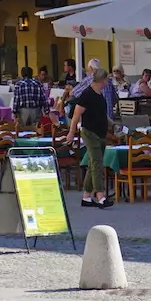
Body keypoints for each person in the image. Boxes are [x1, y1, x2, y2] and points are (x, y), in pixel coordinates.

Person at [66, 67, 112, 208]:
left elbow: (102, 114)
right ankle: (100, 195)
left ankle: (86, 196)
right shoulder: (87, 94)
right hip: (89, 132)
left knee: (93, 164)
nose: (107, 82)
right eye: (107, 80)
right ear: (102, 80)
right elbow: (76, 115)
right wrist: (71, 132)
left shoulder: (100, 95)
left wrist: (112, 125)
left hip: (100, 133)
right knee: (97, 163)